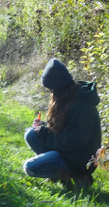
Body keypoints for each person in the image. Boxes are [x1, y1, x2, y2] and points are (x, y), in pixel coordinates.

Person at [23, 58, 102, 188]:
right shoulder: (68, 98)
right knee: (30, 134)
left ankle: (77, 177)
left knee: (30, 168)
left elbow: (70, 142)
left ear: (58, 88)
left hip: (80, 159)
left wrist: (43, 132)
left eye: (51, 89)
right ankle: (59, 172)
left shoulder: (82, 106)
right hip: (68, 151)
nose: (50, 92)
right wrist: (43, 127)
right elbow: (63, 131)